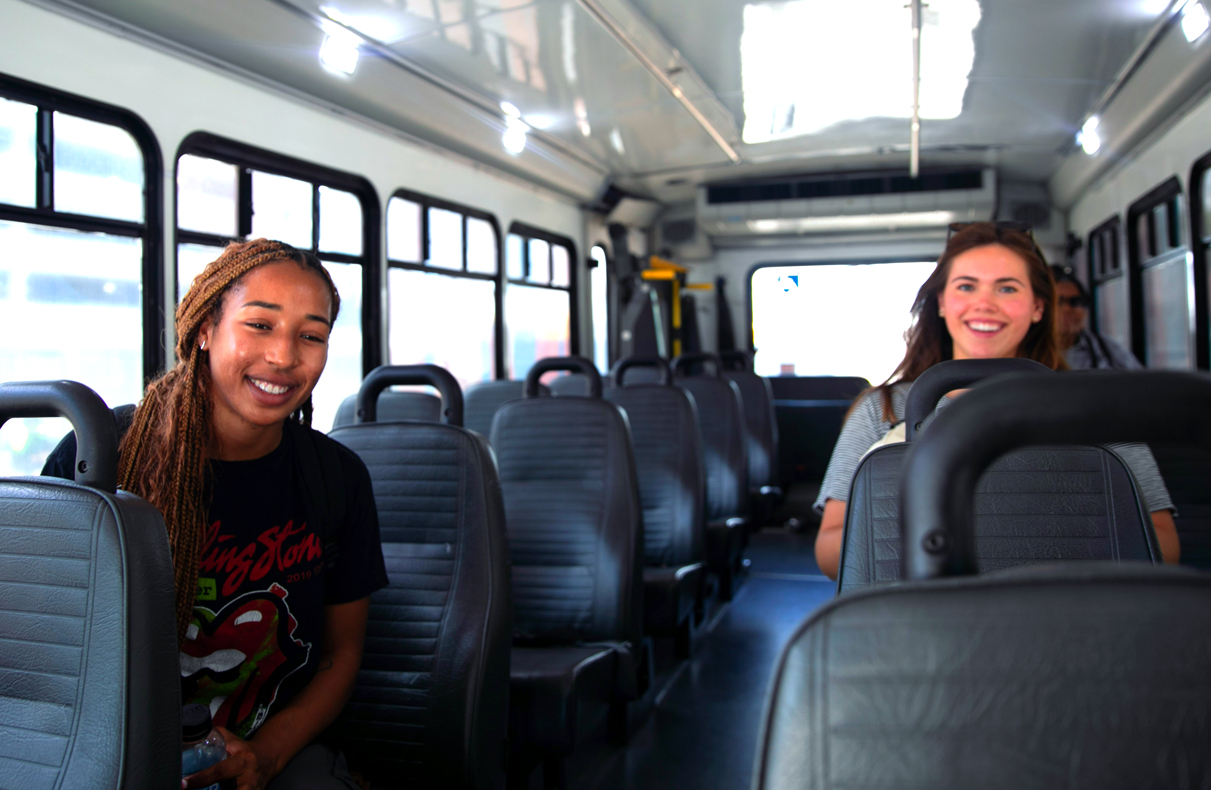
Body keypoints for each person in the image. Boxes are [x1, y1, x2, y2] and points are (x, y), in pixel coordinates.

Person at [43, 239, 387, 790]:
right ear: (205, 328)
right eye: (260, 325)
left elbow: (341, 653)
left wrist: (267, 756)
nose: (284, 356)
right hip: (110, 749)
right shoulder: (99, 457)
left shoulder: (337, 478)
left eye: (311, 336)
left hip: (276, 748)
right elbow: (49, 651)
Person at [813, 223, 1178, 579]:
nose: (984, 304)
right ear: (941, 302)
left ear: (1038, 307)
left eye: (1006, 289)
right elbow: (830, 551)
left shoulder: (1099, 408)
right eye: (967, 286)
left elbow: (1163, 542)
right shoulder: (883, 409)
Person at [1051, 264, 1143, 370]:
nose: (1067, 309)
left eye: (1075, 302)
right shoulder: (1031, 352)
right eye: (1059, 302)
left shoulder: (1107, 349)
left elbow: (1140, 382)